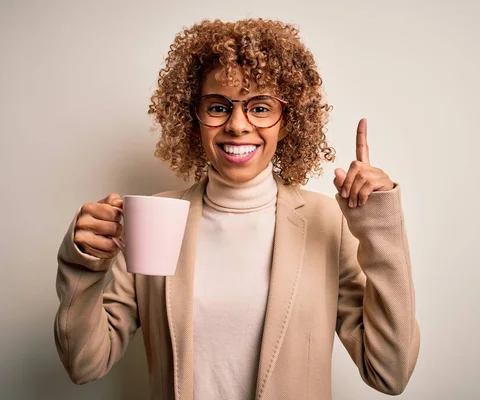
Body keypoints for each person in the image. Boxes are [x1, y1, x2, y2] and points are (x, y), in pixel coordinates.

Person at [54, 18, 420, 400]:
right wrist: (85, 264)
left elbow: (389, 372)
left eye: (260, 107)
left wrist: (381, 227)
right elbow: (84, 364)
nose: (238, 125)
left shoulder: (327, 221)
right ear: (192, 117)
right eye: (218, 107)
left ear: (287, 121)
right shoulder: (154, 220)